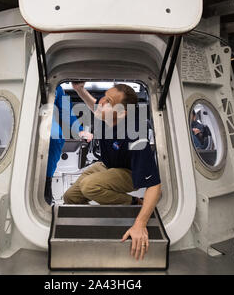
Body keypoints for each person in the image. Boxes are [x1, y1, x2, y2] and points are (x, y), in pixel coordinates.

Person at [63, 82, 162, 260]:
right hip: (108, 166)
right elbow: (95, 106)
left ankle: (134, 204)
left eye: (108, 101)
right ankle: (95, 225)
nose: (101, 102)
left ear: (123, 113)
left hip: (128, 173)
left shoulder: (134, 135)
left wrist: (140, 224)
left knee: (88, 186)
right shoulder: (105, 117)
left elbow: (155, 185)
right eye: (104, 96)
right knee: (70, 197)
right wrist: (79, 90)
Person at [45, 85, 85, 205]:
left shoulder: (57, 87)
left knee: (56, 136)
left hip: (48, 124)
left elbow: (66, 110)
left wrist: (79, 130)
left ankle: (46, 185)